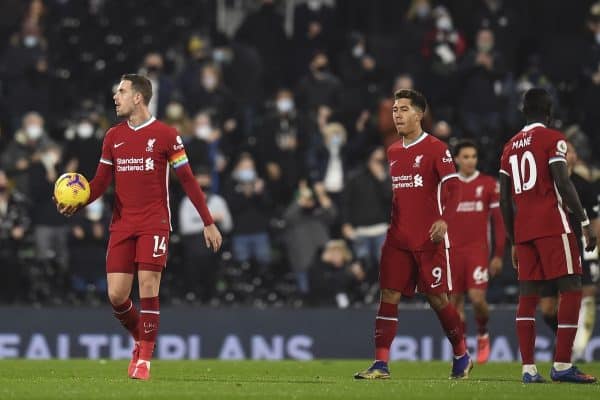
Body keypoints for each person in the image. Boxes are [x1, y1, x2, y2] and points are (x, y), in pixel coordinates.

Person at [55, 74, 222, 380]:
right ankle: (141, 339)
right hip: (122, 223)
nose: (115, 97)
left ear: (138, 98)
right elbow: (100, 184)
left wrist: (207, 222)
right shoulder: (113, 137)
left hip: (154, 222)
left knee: (148, 287)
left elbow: (187, 180)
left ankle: (144, 359)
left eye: (122, 91)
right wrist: (78, 202)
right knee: (117, 296)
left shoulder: (166, 135)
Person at [354, 89, 470, 380]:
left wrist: (445, 219)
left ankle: (461, 353)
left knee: (437, 298)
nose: (397, 115)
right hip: (397, 239)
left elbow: (454, 187)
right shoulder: (392, 151)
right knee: (388, 295)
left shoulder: (436, 148)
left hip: (427, 239)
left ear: (419, 114)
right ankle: (381, 364)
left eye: (404, 109)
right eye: (394, 110)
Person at [499, 88, 597, 383]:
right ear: (549, 111)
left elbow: (504, 201)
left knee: (527, 298)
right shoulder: (554, 139)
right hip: (553, 225)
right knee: (572, 287)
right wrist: (583, 221)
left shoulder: (509, 147)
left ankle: (528, 369)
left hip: (524, 231)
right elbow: (563, 182)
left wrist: (514, 241)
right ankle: (563, 365)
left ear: (523, 111)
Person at [538, 141, 599, 362]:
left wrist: (595, 251)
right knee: (547, 308)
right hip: (549, 248)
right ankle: (567, 341)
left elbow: (595, 222)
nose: (567, 154)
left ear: (574, 157)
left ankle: (574, 349)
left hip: (577, 248)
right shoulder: (547, 182)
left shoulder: (584, 186)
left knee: (582, 296)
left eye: (570, 151)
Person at [447, 140, 505, 364]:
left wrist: (498, 254)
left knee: (477, 298)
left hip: (477, 251)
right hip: (453, 252)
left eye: (473, 156)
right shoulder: (449, 186)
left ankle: (482, 333)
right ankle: (462, 353)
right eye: (466, 157)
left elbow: (498, 223)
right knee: (455, 304)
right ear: (457, 160)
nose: (470, 160)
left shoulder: (488, 184)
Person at [179, 167, 232, 302]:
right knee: (195, 261)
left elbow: (227, 225)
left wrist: (202, 220)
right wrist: (210, 221)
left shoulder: (218, 201)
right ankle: (193, 294)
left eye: (206, 178)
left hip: (215, 246)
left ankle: (212, 294)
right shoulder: (187, 201)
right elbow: (186, 228)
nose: (203, 181)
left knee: (214, 265)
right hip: (195, 245)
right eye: (200, 178)